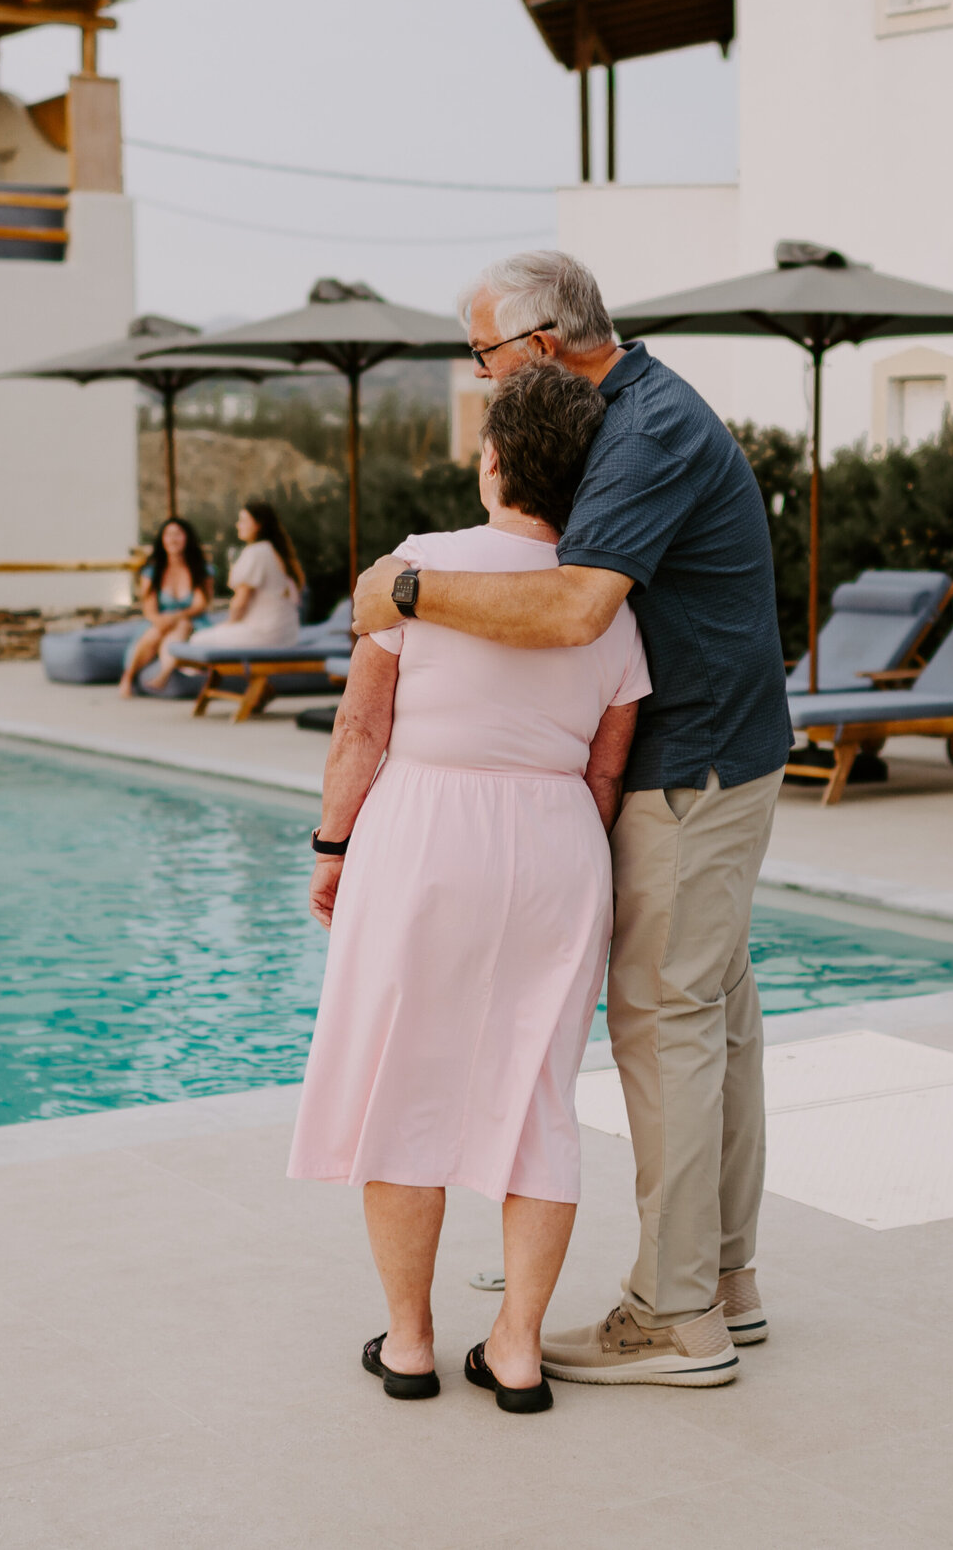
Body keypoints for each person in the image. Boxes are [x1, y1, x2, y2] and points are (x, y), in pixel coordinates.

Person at [353, 251, 793, 1390]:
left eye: (484, 355)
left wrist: (403, 588)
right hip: (712, 752)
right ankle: (724, 1282)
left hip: (690, 765)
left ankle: (677, 1313)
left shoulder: (643, 431)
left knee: (667, 1025)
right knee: (713, 1023)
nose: (483, 376)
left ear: (541, 347)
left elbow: (570, 604)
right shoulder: (636, 410)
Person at [288, 361, 651, 1412]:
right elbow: (605, 769)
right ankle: (522, 1349)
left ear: (492, 459)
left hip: (423, 833)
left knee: (405, 1084)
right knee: (538, 1092)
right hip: (555, 840)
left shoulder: (416, 567)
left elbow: (362, 728)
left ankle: (410, 1342)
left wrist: (332, 844)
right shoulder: (608, 606)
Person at [154, 499, 304, 683]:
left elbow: (241, 602)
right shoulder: (275, 552)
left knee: (198, 640)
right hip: (288, 635)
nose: (238, 525)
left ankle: (185, 679)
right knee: (208, 635)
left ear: (257, 525)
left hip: (266, 635)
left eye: (243, 521)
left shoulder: (257, 552)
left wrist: (228, 625)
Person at [118, 516, 213, 697]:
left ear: (187, 538)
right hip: (161, 621)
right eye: (168, 535)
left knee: (183, 624)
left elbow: (200, 605)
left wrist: (175, 617)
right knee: (155, 632)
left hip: (192, 619)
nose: (173, 540)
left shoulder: (201, 569)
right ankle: (128, 677)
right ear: (162, 540)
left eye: (178, 534)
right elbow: (149, 609)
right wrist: (161, 621)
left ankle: (164, 674)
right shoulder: (153, 572)